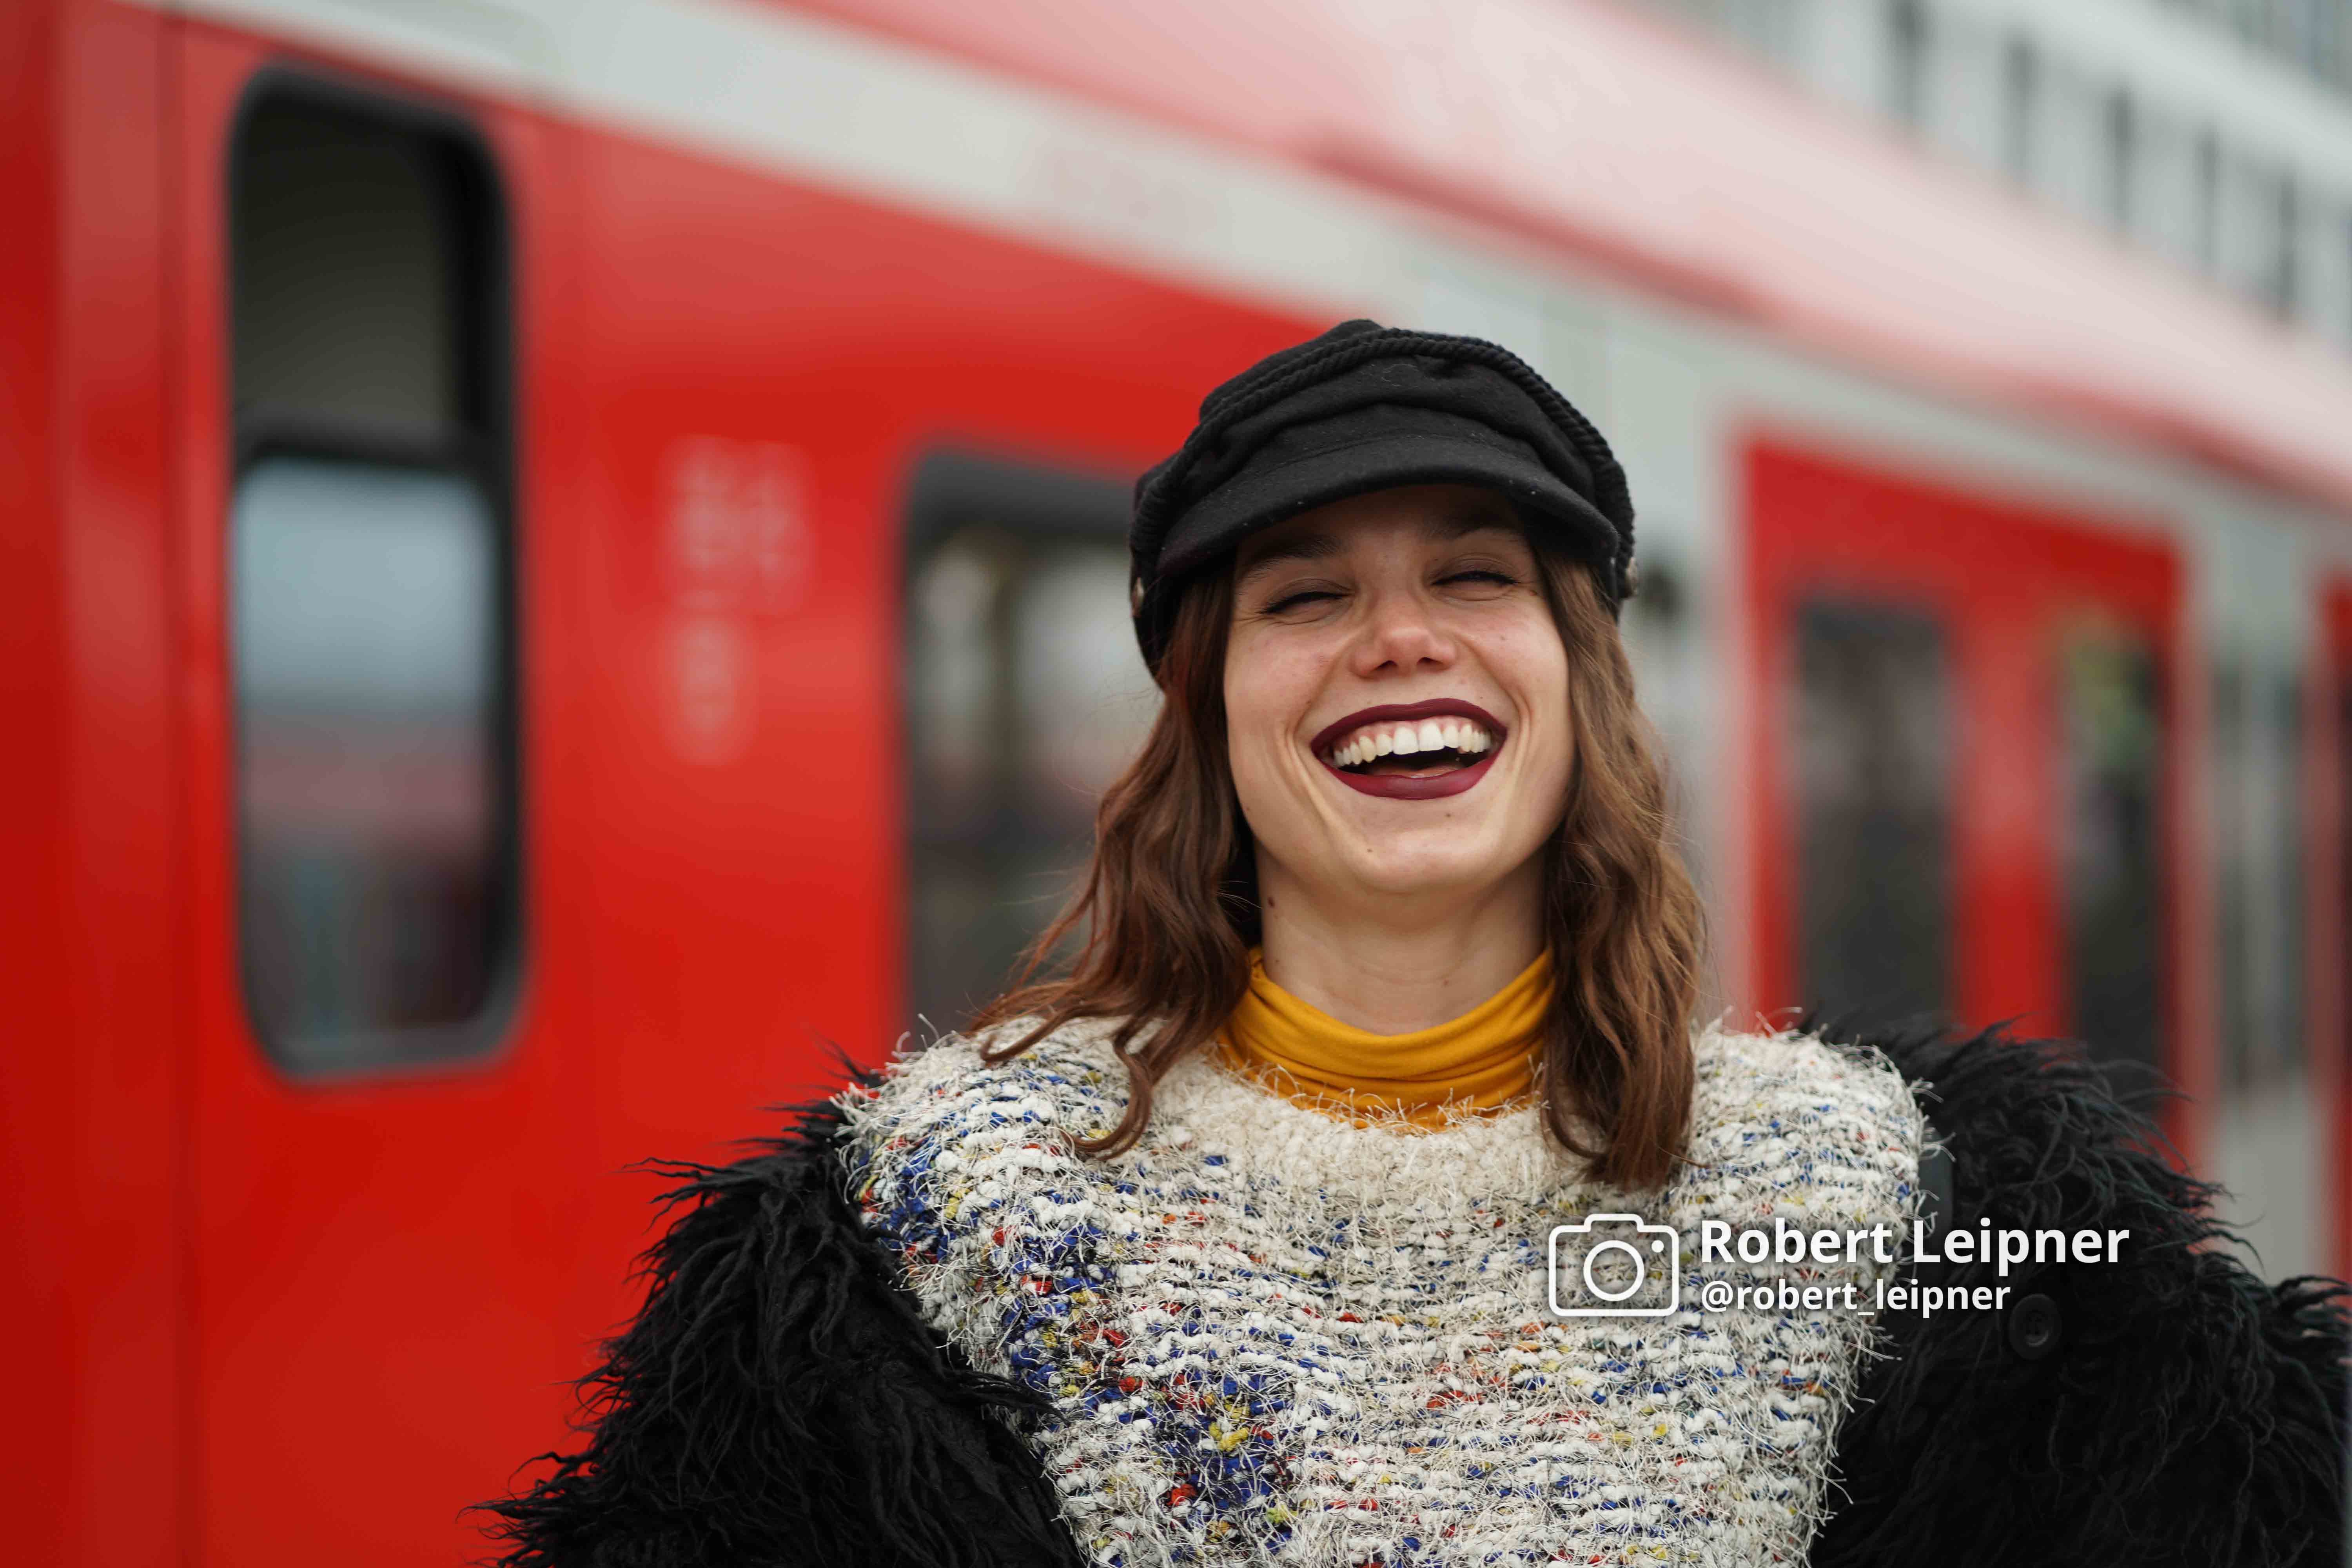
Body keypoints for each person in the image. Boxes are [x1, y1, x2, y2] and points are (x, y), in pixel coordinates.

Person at [480, 321, 2347, 1568]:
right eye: (1307, 596)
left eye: (1474, 575)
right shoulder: (932, 1220)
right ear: (1212, 716)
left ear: (1578, 681)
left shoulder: (1875, 1197)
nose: (1398, 639)